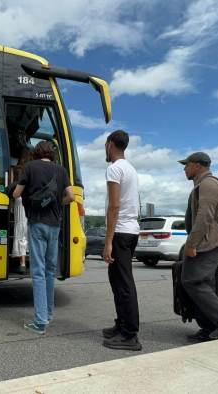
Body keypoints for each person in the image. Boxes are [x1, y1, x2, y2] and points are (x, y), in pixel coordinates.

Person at [179, 152, 218, 341]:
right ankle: (209, 326)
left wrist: (192, 243)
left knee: (193, 281)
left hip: (209, 242)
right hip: (207, 241)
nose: (184, 168)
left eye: (187, 164)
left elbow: (205, 216)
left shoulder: (208, 184)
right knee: (203, 283)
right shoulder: (202, 184)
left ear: (198, 165)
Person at [13, 141, 74, 335]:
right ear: (52, 154)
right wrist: (57, 201)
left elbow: (16, 194)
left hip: (37, 223)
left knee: (38, 272)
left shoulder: (30, 167)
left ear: (36, 153)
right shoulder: (61, 170)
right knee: (49, 271)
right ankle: (47, 314)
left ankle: (40, 322)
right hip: (54, 225)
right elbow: (71, 197)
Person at [101, 130, 142, 351]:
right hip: (129, 230)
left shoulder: (114, 169)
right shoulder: (130, 169)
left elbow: (114, 206)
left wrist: (108, 241)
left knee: (124, 284)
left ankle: (130, 335)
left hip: (121, 232)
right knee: (118, 282)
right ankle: (122, 324)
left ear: (110, 145)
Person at [10, 149, 31, 275]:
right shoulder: (32, 170)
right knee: (28, 229)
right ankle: (29, 261)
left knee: (20, 227)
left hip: (18, 199)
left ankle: (22, 263)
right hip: (29, 199)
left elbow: (12, 185)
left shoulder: (16, 169)